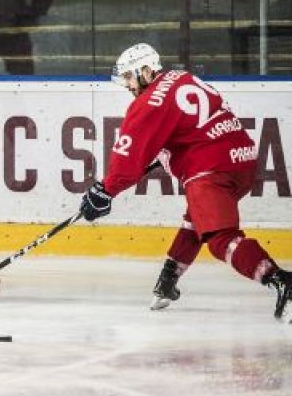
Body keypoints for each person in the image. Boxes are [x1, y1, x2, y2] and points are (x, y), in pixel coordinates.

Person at [79, 43, 291, 321]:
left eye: (130, 77)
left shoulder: (147, 103)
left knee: (220, 239)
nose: (128, 85)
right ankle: (168, 279)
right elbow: (190, 127)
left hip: (210, 171)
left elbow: (126, 164)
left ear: (145, 70)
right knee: (198, 219)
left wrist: (103, 192)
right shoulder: (182, 77)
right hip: (244, 160)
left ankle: (281, 281)